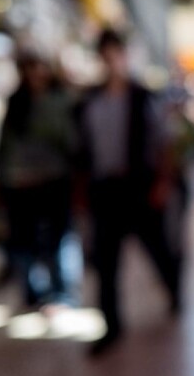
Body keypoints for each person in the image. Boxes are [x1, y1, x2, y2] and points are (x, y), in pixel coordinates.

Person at [77, 29, 181, 355]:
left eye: (115, 55)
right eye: (105, 57)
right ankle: (111, 324)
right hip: (106, 191)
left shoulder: (142, 97)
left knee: (158, 248)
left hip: (138, 188)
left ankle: (175, 291)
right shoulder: (90, 102)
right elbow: (82, 149)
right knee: (106, 262)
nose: (111, 63)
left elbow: (164, 142)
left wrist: (162, 183)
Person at [0, 53, 77, 308]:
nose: (35, 74)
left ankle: (60, 290)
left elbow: (68, 138)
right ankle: (33, 292)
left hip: (53, 180)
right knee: (24, 242)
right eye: (29, 68)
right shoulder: (16, 102)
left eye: (39, 67)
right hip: (20, 182)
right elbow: (4, 146)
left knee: (58, 239)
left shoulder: (60, 100)